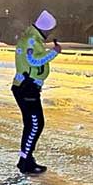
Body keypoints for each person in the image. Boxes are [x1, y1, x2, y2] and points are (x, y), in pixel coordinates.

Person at [13, 10, 61, 174]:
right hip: (27, 87)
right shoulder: (31, 40)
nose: (49, 33)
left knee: (32, 124)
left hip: (28, 87)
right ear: (45, 28)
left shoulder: (32, 38)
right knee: (35, 124)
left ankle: (26, 159)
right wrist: (54, 52)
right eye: (49, 30)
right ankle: (26, 162)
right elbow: (33, 61)